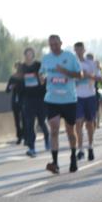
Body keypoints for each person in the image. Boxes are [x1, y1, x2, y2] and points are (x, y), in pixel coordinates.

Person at [40, 35, 83, 174]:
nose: (53, 47)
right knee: (54, 129)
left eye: (56, 44)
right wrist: (41, 78)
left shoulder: (70, 57)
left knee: (70, 131)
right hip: (52, 99)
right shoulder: (46, 58)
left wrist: (66, 72)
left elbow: (80, 75)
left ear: (61, 43)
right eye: (51, 45)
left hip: (69, 100)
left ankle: (73, 156)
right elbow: (41, 73)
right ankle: (55, 163)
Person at [19, 47, 50, 157]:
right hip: (28, 99)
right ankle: (32, 148)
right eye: (27, 54)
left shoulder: (38, 65)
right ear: (25, 56)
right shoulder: (22, 67)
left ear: (33, 55)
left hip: (40, 98)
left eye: (30, 54)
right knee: (29, 124)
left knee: (42, 122)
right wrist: (21, 98)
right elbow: (20, 82)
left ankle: (47, 138)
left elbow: (44, 79)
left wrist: (42, 80)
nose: (28, 56)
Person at [73, 43, 101, 161]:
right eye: (77, 49)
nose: (79, 51)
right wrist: (77, 77)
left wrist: (88, 75)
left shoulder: (91, 63)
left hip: (90, 96)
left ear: (84, 50)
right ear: (74, 50)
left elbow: (100, 78)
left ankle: (90, 146)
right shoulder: (72, 64)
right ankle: (80, 150)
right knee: (78, 122)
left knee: (90, 124)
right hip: (77, 97)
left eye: (81, 49)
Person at [6, 63, 24, 145]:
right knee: (17, 121)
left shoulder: (24, 77)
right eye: (17, 67)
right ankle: (19, 137)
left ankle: (24, 135)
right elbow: (7, 90)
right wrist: (11, 87)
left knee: (24, 119)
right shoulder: (12, 78)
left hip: (23, 101)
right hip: (15, 101)